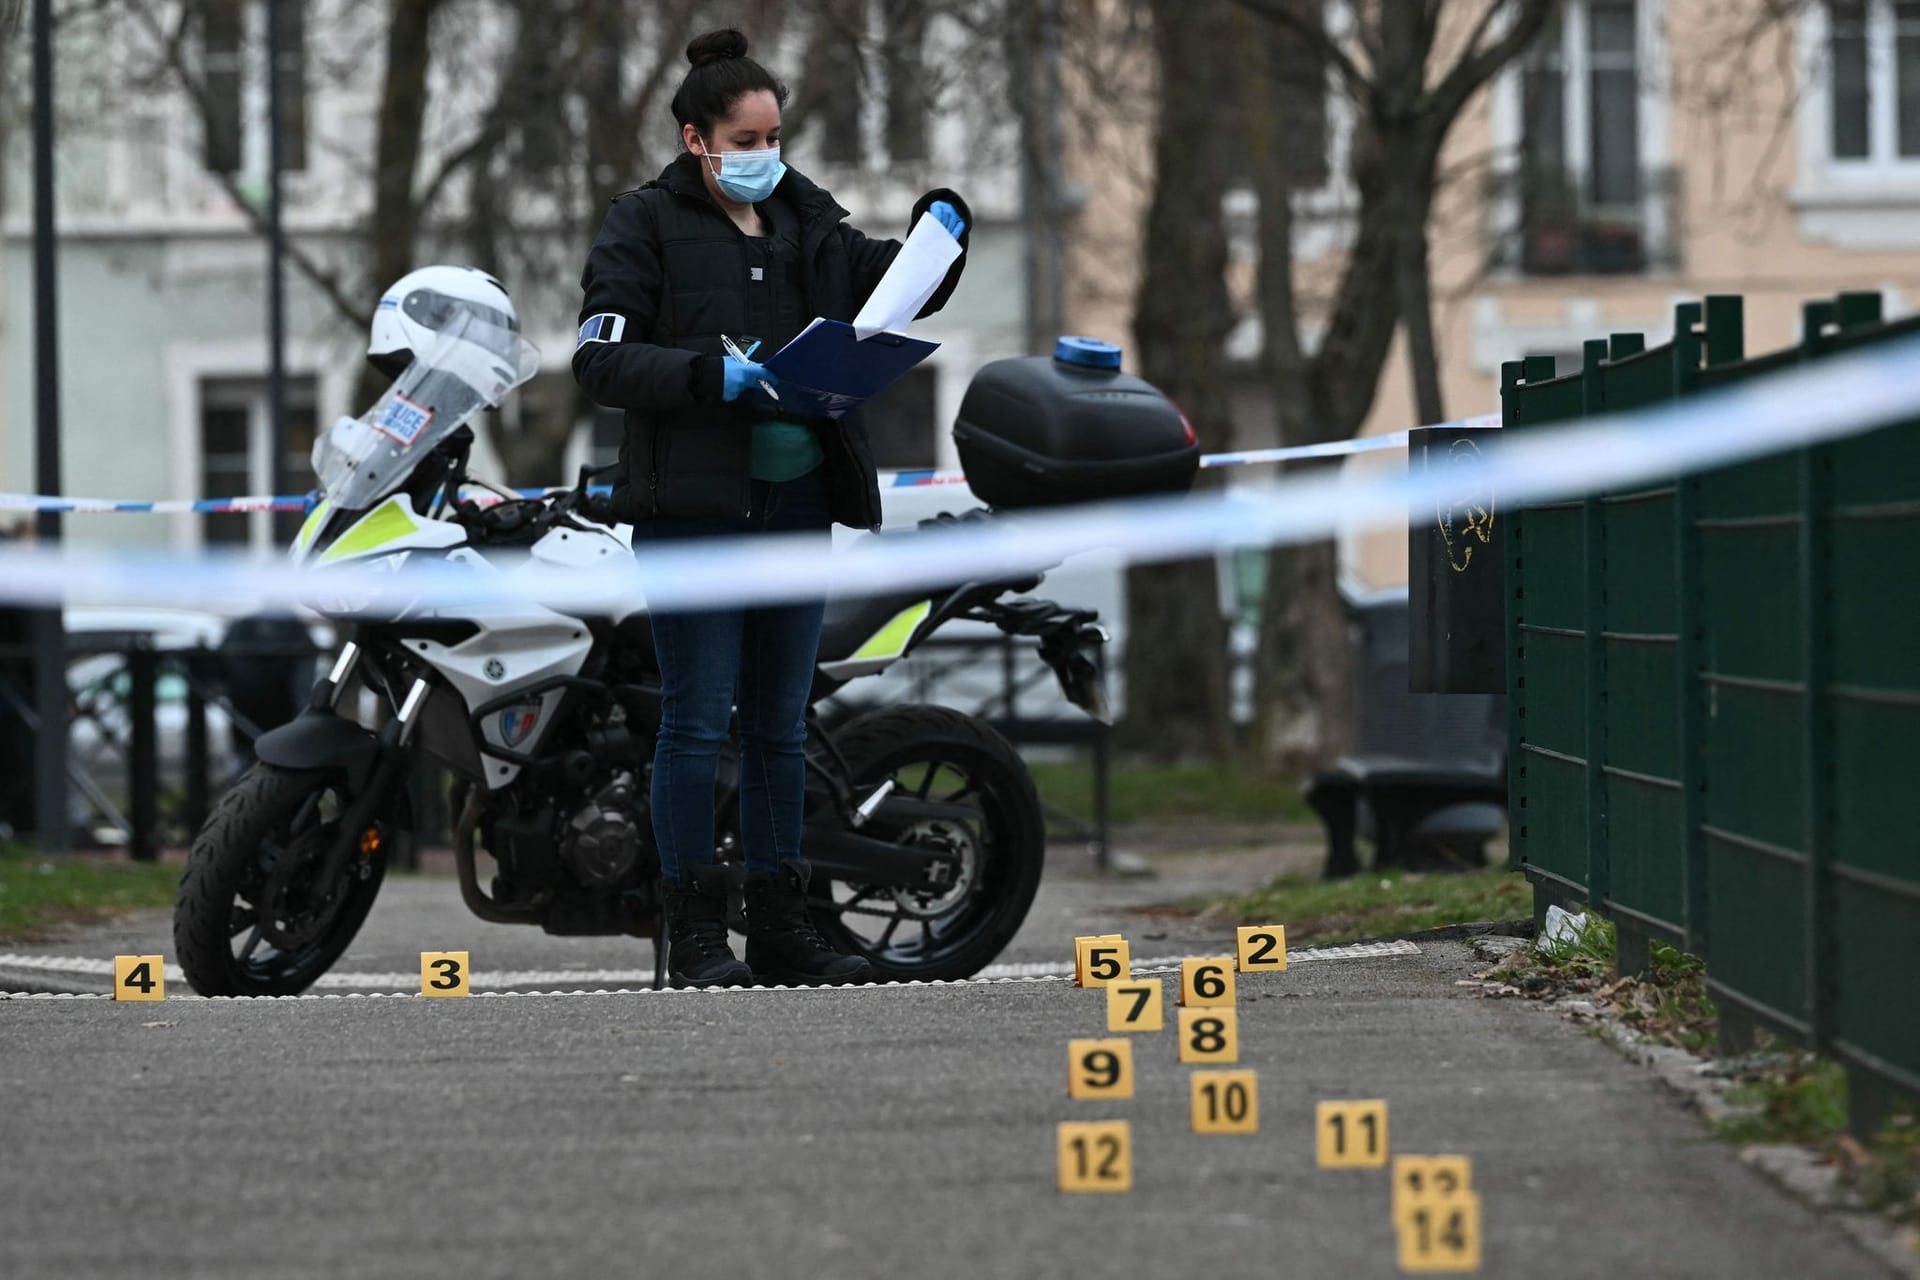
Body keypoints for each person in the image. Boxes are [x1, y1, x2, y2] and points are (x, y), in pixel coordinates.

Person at [572, 27, 971, 988]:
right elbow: (600, 359)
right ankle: (696, 935)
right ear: (696, 138)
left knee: (779, 727)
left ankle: (785, 927)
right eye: (746, 139)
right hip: (694, 517)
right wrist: (713, 375)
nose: (765, 156)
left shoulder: (804, 217)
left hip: (796, 505)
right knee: (698, 721)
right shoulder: (643, 222)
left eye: (774, 136)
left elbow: (891, 287)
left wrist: (942, 230)